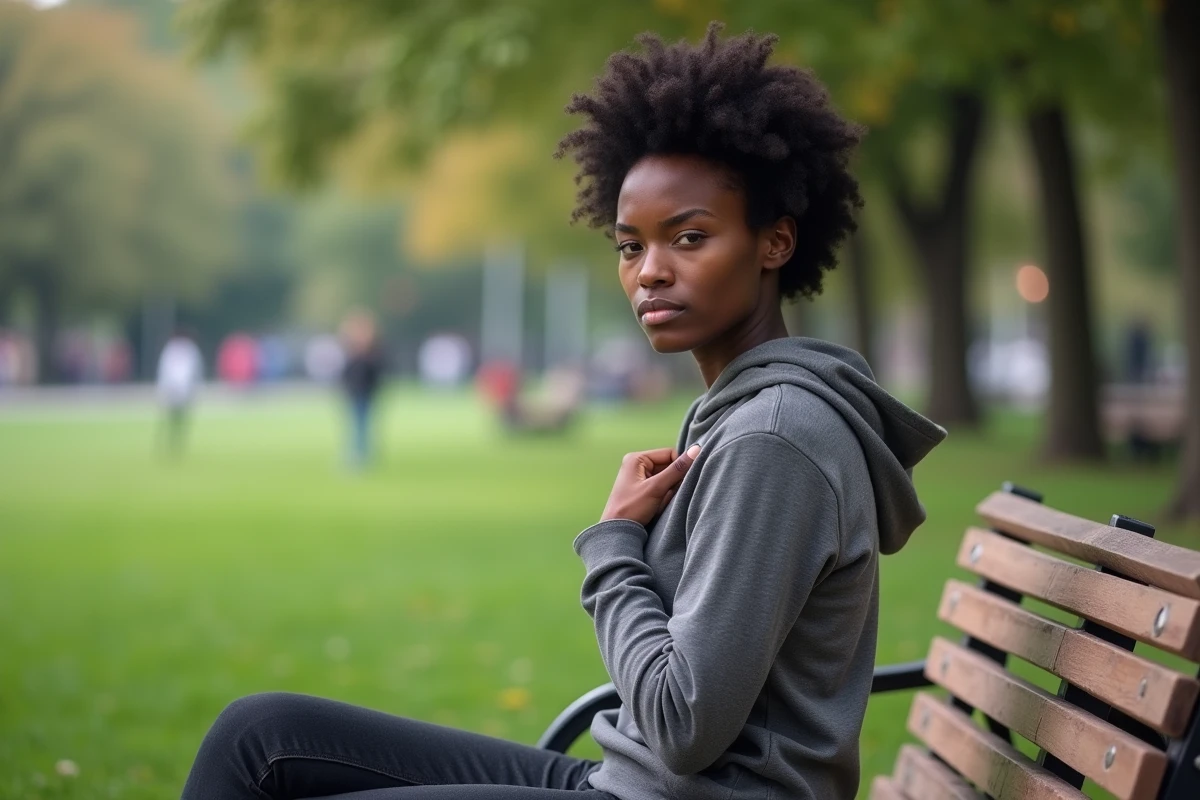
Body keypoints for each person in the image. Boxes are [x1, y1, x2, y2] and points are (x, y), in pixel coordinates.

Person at [181, 24, 945, 800]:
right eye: (629, 246)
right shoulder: (739, 413)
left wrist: (614, 545)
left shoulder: (774, 439)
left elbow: (683, 722)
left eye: (689, 237)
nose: (650, 272)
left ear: (774, 243)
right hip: (629, 780)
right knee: (260, 736)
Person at [339, 309, 386, 469]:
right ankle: (358, 452)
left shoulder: (372, 353)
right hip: (353, 393)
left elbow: (376, 374)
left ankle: (361, 454)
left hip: (366, 392)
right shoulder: (351, 352)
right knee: (355, 424)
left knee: (362, 424)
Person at [155, 327, 203, 458]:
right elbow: (195, 369)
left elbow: (164, 369)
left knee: (174, 417)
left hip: (175, 387)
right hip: (182, 388)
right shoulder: (189, 349)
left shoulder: (171, 349)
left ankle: (173, 440)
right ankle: (175, 440)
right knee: (178, 417)